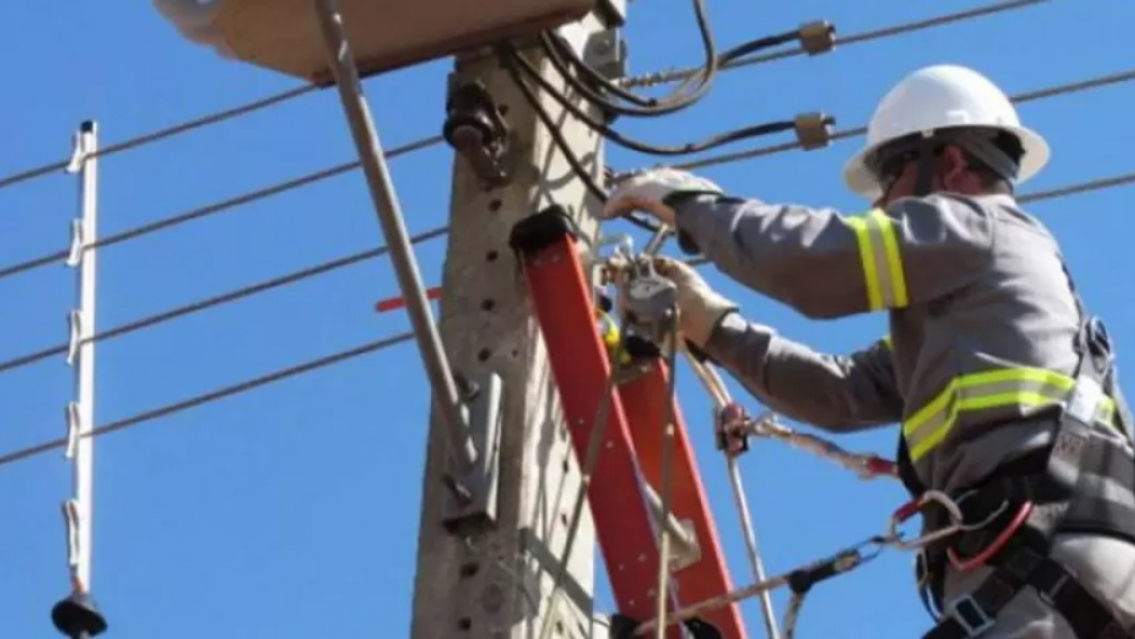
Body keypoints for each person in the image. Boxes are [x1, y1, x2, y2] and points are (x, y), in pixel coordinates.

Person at [602, 64, 1135, 638]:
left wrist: (693, 206)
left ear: (949, 162)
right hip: (1057, 572)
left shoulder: (980, 228)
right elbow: (840, 392)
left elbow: (816, 260)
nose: (882, 203)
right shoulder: (972, 318)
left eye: (890, 177)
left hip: (1041, 568)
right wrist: (717, 327)